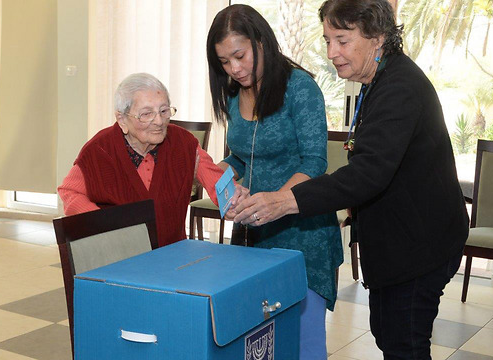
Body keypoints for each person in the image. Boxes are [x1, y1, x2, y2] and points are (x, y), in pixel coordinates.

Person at [233, 0, 469, 358]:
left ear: (377, 36)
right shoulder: (379, 78)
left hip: (420, 247)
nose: (331, 52)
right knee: (389, 335)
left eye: (341, 40)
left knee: (404, 343)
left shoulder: (400, 87)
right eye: (327, 40)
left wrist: (282, 201)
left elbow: (368, 173)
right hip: (402, 240)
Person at [206, 5, 343, 359]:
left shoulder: (300, 87)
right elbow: (240, 156)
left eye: (240, 55)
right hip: (252, 232)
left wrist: (277, 202)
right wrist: (216, 175)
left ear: (262, 42)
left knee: (302, 342)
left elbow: (315, 161)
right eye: (224, 62)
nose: (234, 69)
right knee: (256, 342)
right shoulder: (235, 94)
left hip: (303, 234)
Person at [58, 72, 234, 248]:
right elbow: (69, 192)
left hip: (171, 253)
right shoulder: (100, 150)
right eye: (146, 114)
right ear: (122, 119)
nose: (158, 121)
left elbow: (218, 183)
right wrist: (104, 224)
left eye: (164, 111)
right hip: (118, 255)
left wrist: (234, 203)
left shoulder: (183, 143)